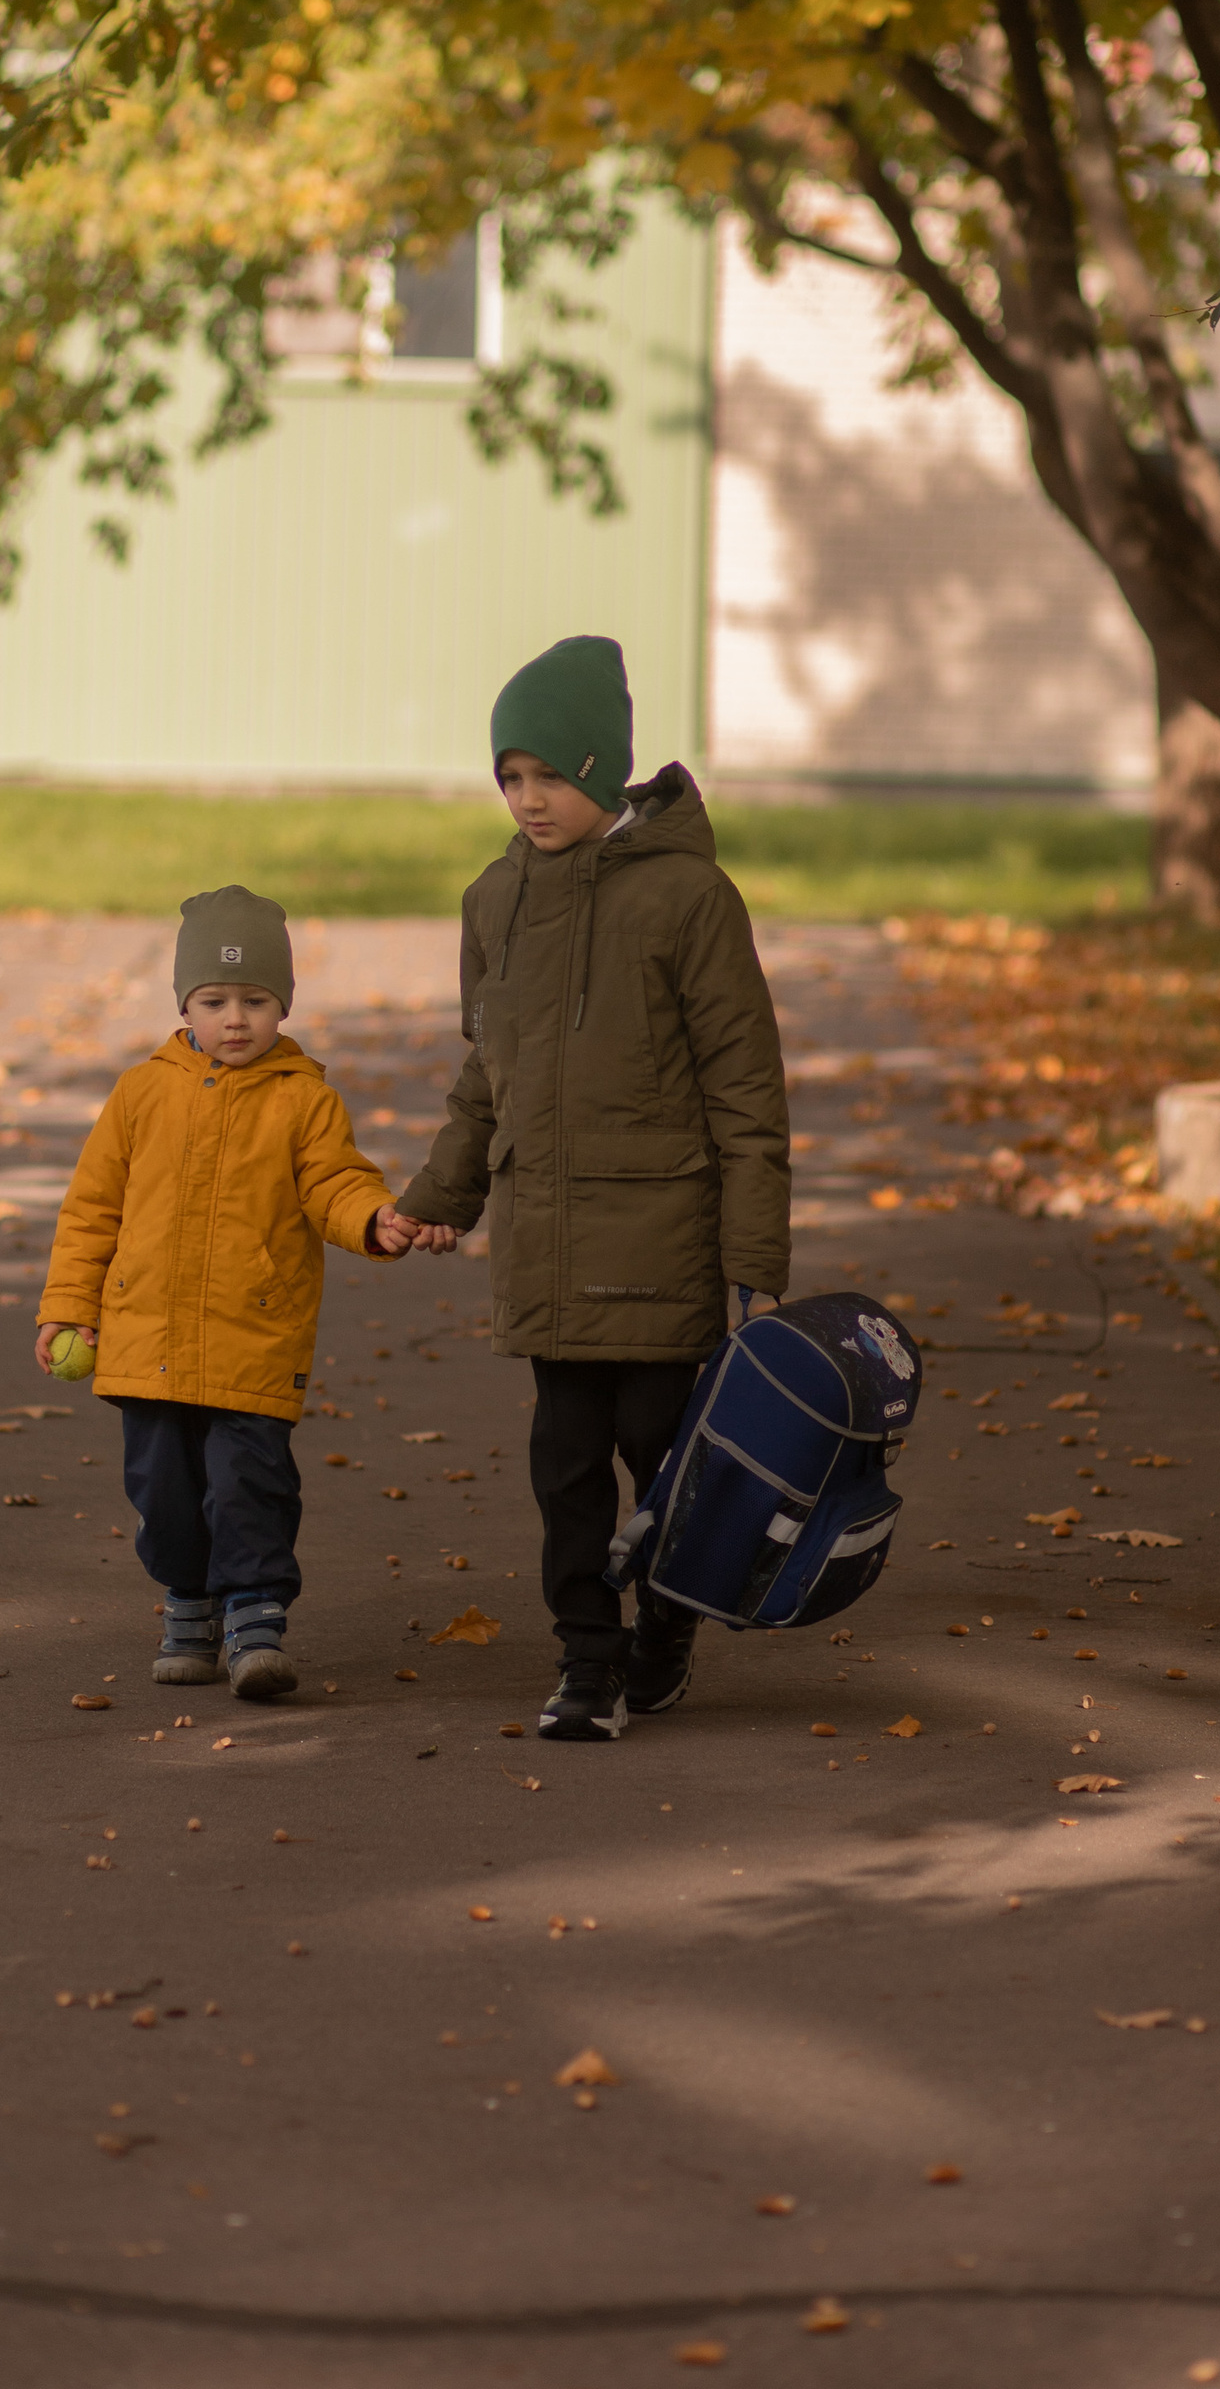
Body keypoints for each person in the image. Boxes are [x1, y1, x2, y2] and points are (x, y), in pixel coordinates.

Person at [392, 634, 791, 1741]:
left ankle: (664, 1628)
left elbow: (745, 1090)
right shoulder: (494, 900)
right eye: (509, 777)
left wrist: (753, 1261)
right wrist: (440, 1193)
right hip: (549, 1249)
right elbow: (489, 1069)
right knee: (563, 1472)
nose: (528, 799)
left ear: (605, 768)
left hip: (661, 1247)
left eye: (550, 776)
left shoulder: (689, 900)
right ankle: (586, 1655)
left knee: (662, 1467)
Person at [34, 885, 453, 1702]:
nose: (236, 1019)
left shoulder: (303, 1100)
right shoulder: (140, 1093)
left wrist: (373, 1219)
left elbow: (335, 1183)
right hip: (146, 1342)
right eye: (215, 1000)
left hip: (252, 1339)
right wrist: (68, 1306)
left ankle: (255, 1617)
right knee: (164, 1490)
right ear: (185, 1004)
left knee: (249, 1484)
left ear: (283, 1004)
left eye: (256, 1001)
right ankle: (188, 1604)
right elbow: (91, 1209)